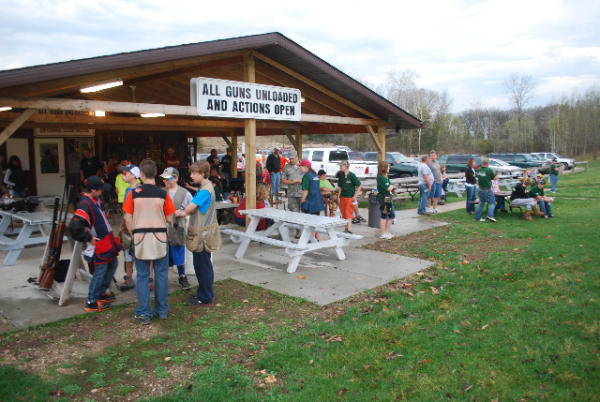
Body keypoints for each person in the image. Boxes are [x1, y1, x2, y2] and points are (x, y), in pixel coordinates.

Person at [123, 160, 176, 325]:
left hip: (140, 237)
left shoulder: (133, 193)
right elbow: (169, 218)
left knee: (143, 275)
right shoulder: (163, 194)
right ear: (155, 174)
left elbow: (127, 218)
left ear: (142, 175)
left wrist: (134, 234)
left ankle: (144, 311)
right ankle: (161, 310)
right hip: (160, 237)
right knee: (161, 274)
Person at [68, 176, 120, 312]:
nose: (102, 192)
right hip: (100, 244)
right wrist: (88, 238)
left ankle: (101, 292)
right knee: (100, 271)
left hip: (107, 242)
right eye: (100, 190)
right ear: (92, 189)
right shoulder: (86, 204)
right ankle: (92, 300)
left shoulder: (95, 200)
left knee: (113, 264)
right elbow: (74, 226)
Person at [175, 160, 222, 307]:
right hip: (204, 234)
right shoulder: (205, 187)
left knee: (202, 266)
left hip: (202, 236)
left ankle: (205, 296)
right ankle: (205, 292)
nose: (191, 176)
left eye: (194, 173)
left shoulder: (204, 191)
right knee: (204, 265)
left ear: (202, 173)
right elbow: (194, 208)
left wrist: (178, 212)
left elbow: (189, 209)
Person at [160, 167, 193, 290]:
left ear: (176, 178)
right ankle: (162, 279)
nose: (165, 181)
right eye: (164, 178)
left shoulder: (185, 193)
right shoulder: (161, 192)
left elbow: (192, 209)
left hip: (177, 227)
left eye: (168, 178)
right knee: (162, 254)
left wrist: (183, 213)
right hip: (162, 228)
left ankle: (182, 276)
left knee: (179, 252)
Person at [117, 163, 141, 291]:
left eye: (125, 173)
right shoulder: (128, 190)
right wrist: (122, 224)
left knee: (139, 252)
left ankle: (147, 278)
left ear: (133, 175)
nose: (122, 175)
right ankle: (129, 277)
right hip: (127, 226)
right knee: (127, 251)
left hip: (135, 226)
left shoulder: (139, 190)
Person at [299, 159, 325, 239]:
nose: (300, 168)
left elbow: (306, 191)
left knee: (310, 222)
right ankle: (317, 239)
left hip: (310, 201)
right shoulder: (315, 174)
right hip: (318, 201)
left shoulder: (307, 176)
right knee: (316, 221)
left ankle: (311, 240)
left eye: (301, 166)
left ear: (305, 167)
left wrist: (303, 201)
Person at [336, 160, 362, 234]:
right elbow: (340, 186)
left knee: (348, 213)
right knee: (343, 213)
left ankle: (349, 229)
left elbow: (359, 185)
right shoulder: (341, 175)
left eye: (341, 166)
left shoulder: (352, 175)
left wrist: (355, 195)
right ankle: (346, 228)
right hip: (343, 196)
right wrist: (338, 196)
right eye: (340, 166)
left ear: (346, 166)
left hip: (349, 197)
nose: (340, 167)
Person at [474, 158, 497, 223]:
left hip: (480, 189)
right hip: (487, 189)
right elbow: (493, 178)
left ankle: (477, 217)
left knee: (481, 203)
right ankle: (490, 215)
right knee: (492, 203)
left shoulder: (479, 169)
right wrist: (494, 175)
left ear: (482, 163)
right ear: (487, 164)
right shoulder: (489, 170)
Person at [377, 161, 395, 239]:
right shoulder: (381, 177)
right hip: (384, 198)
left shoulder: (385, 177)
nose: (389, 168)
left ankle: (386, 231)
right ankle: (382, 232)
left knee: (392, 215)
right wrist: (391, 187)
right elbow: (388, 188)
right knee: (384, 214)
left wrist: (391, 187)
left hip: (388, 198)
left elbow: (390, 185)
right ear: (384, 168)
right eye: (388, 167)